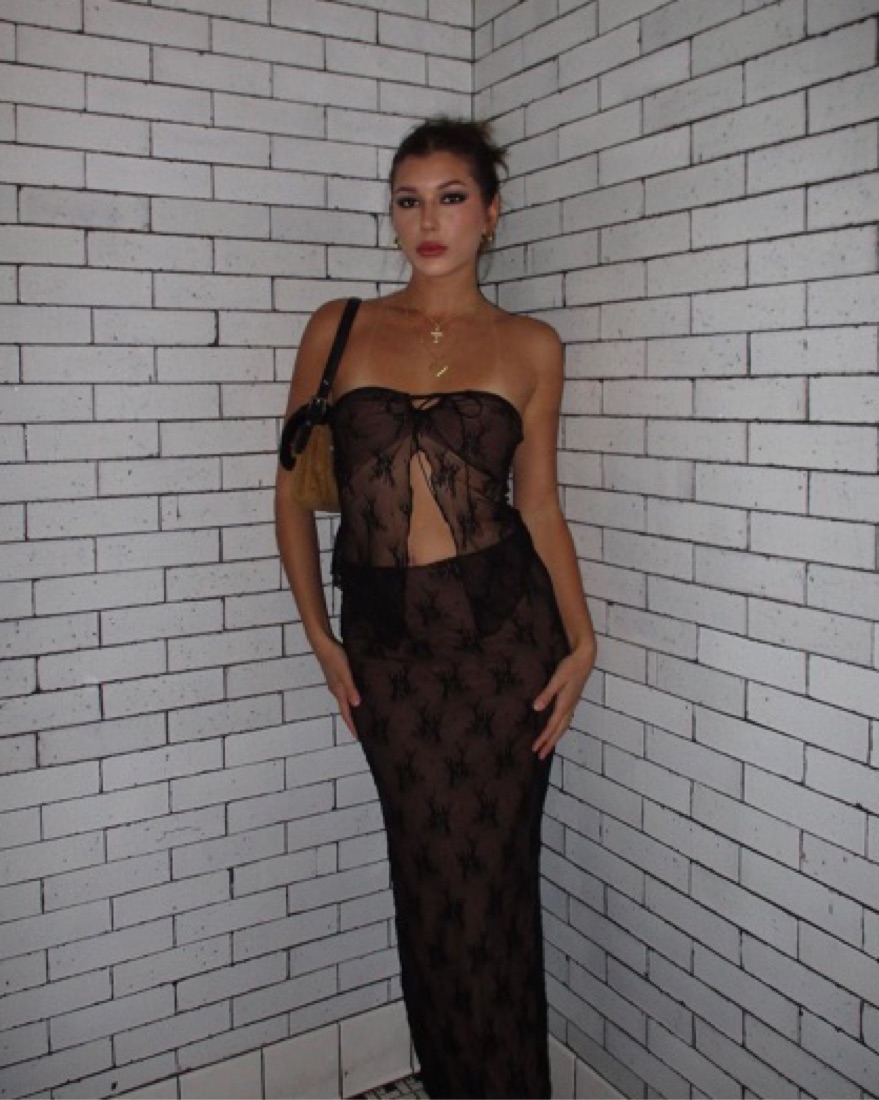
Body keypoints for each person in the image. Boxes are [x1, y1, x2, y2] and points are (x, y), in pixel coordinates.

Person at [275, 116, 596, 1099]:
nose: (427, 220)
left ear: (490, 213)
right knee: (428, 880)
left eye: (450, 198)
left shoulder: (530, 345)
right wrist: (320, 637)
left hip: (505, 644)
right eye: (408, 200)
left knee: (494, 886)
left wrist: (583, 639)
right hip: (387, 651)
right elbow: (289, 494)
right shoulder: (338, 327)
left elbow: (538, 504)